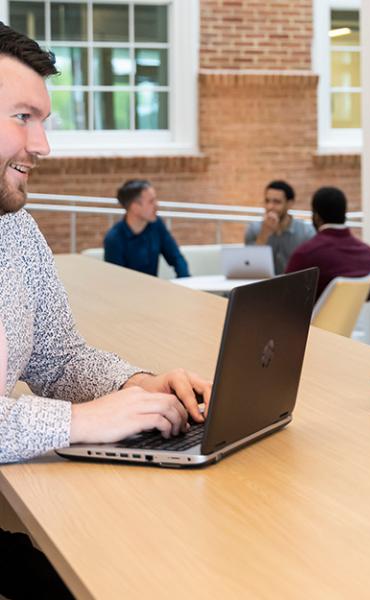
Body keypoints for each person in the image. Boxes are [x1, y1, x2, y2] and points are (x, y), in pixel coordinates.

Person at [0, 24, 210, 597]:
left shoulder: (15, 228)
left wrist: (139, 386)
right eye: (23, 117)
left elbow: (56, 358)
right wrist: (83, 422)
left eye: (43, 120)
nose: (42, 145)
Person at [285, 186, 370, 301]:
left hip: (314, 319)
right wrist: (351, 303)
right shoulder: (367, 252)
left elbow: (284, 296)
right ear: (344, 214)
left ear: (316, 217)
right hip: (349, 319)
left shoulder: (305, 254)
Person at [103, 179, 190, 278]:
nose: (157, 205)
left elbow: (176, 258)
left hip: (154, 290)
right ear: (135, 207)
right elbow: (116, 279)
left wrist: (186, 283)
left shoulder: (157, 225)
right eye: (151, 201)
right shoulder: (114, 238)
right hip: (128, 291)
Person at [245, 180, 315, 274]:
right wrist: (264, 234)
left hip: (294, 285)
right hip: (263, 285)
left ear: (290, 204)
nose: (270, 206)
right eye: (267, 201)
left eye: (276, 202)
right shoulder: (254, 229)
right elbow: (249, 265)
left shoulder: (306, 232)